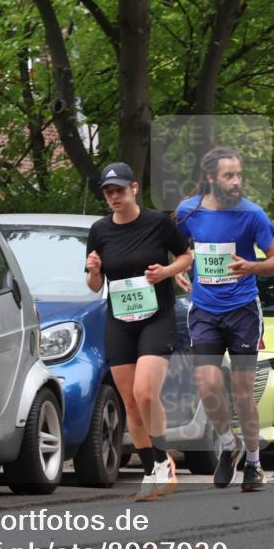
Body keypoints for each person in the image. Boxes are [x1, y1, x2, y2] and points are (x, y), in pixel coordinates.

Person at [174, 146, 274, 492]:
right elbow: (179, 248)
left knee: (241, 392)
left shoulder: (253, 215)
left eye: (239, 175)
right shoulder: (187, 211)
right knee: (207, 387)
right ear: (210, 178)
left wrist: (251, 266)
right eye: (229, 176)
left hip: (243, 311)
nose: (236, 182)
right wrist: (180, 268)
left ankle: (253, 462)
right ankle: (227, 443)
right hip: (205, 309)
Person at [85, 162, 193, 500]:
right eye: (108, 191)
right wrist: (93, 271)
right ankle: (151, 469)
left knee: (146, 393)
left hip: (156, 317)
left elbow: (187, 256)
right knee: (130, 400)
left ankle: (163, 460)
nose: (114, 196)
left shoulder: (157, 223)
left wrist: (167, 271)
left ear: (134, 188)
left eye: (119, 189)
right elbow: (94, 285)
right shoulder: (99, 230)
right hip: (120, 320)